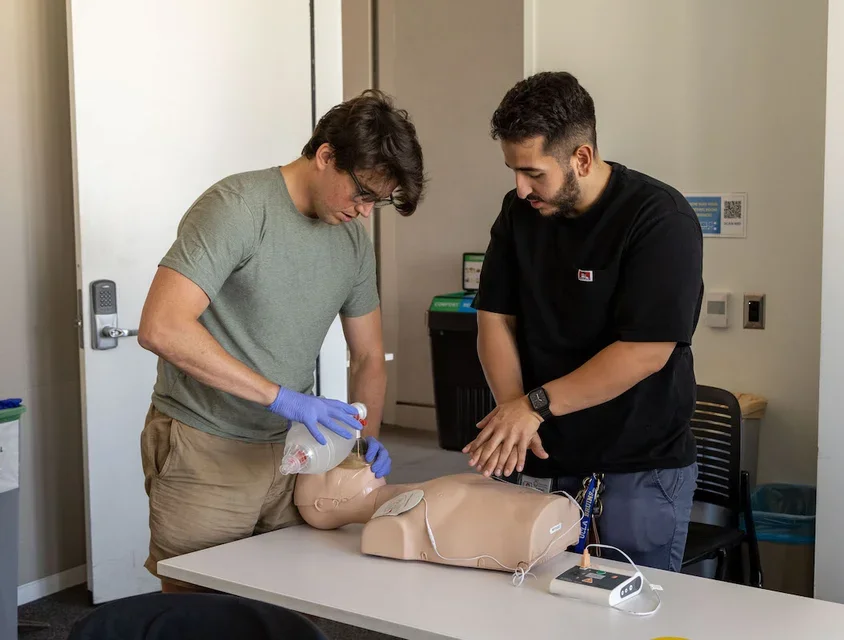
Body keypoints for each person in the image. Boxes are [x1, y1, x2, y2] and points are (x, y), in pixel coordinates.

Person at [136, 89, 424, 592]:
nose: (364, 212)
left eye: (376, 202)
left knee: (285, 606)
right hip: (208, 447)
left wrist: (363, 440)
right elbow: (162, 326)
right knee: (199, 615)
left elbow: (369, 355)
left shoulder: (352, 240)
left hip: (295, 456)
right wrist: (281, 398)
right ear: (326, 155)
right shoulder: (239, 208)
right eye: (361, 193)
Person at [464, 71, 703, 572]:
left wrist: (533, 406)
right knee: (532, 599)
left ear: (582, 158)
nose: (520, 187)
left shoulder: (661, 219)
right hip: (545, 449)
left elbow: (645, 351)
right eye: (512, 170)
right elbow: (494, 319)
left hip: (639, 462)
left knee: (629, 606)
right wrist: (514, 412)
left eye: (533, 172)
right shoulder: (518, 213)